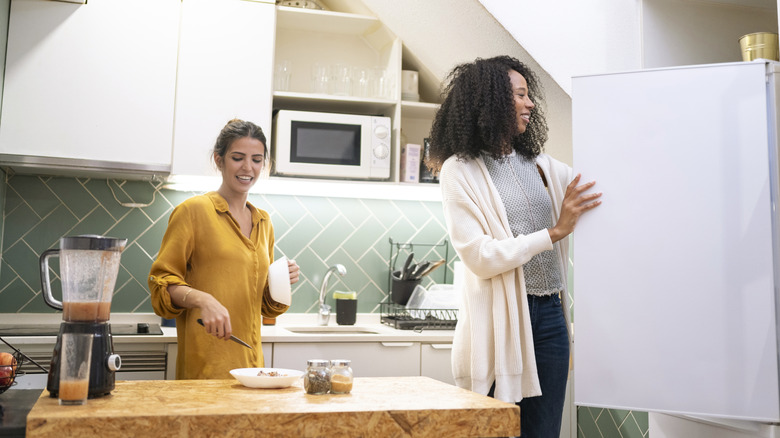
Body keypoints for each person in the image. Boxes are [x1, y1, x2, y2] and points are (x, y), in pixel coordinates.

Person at [426, 56, 602, 437]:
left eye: (528, 95)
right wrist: (554, 233)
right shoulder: (461, 169)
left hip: (551, 317)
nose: (531, 103)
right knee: (501, 430)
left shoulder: (541, 165)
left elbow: (597, 185)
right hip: (502, 322)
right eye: (520, 95)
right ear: (492, 102)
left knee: (544, 431)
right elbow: (480, 256)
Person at [148, 118, 300, 380]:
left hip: (252, 367)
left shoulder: (264, 222)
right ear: (219, 160)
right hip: (206, 366)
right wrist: (203, 299)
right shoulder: (193, 212)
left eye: (256, 159)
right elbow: (161, 284)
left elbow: (264, 306)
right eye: (237, 157)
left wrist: (281, 282)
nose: (247, 167)